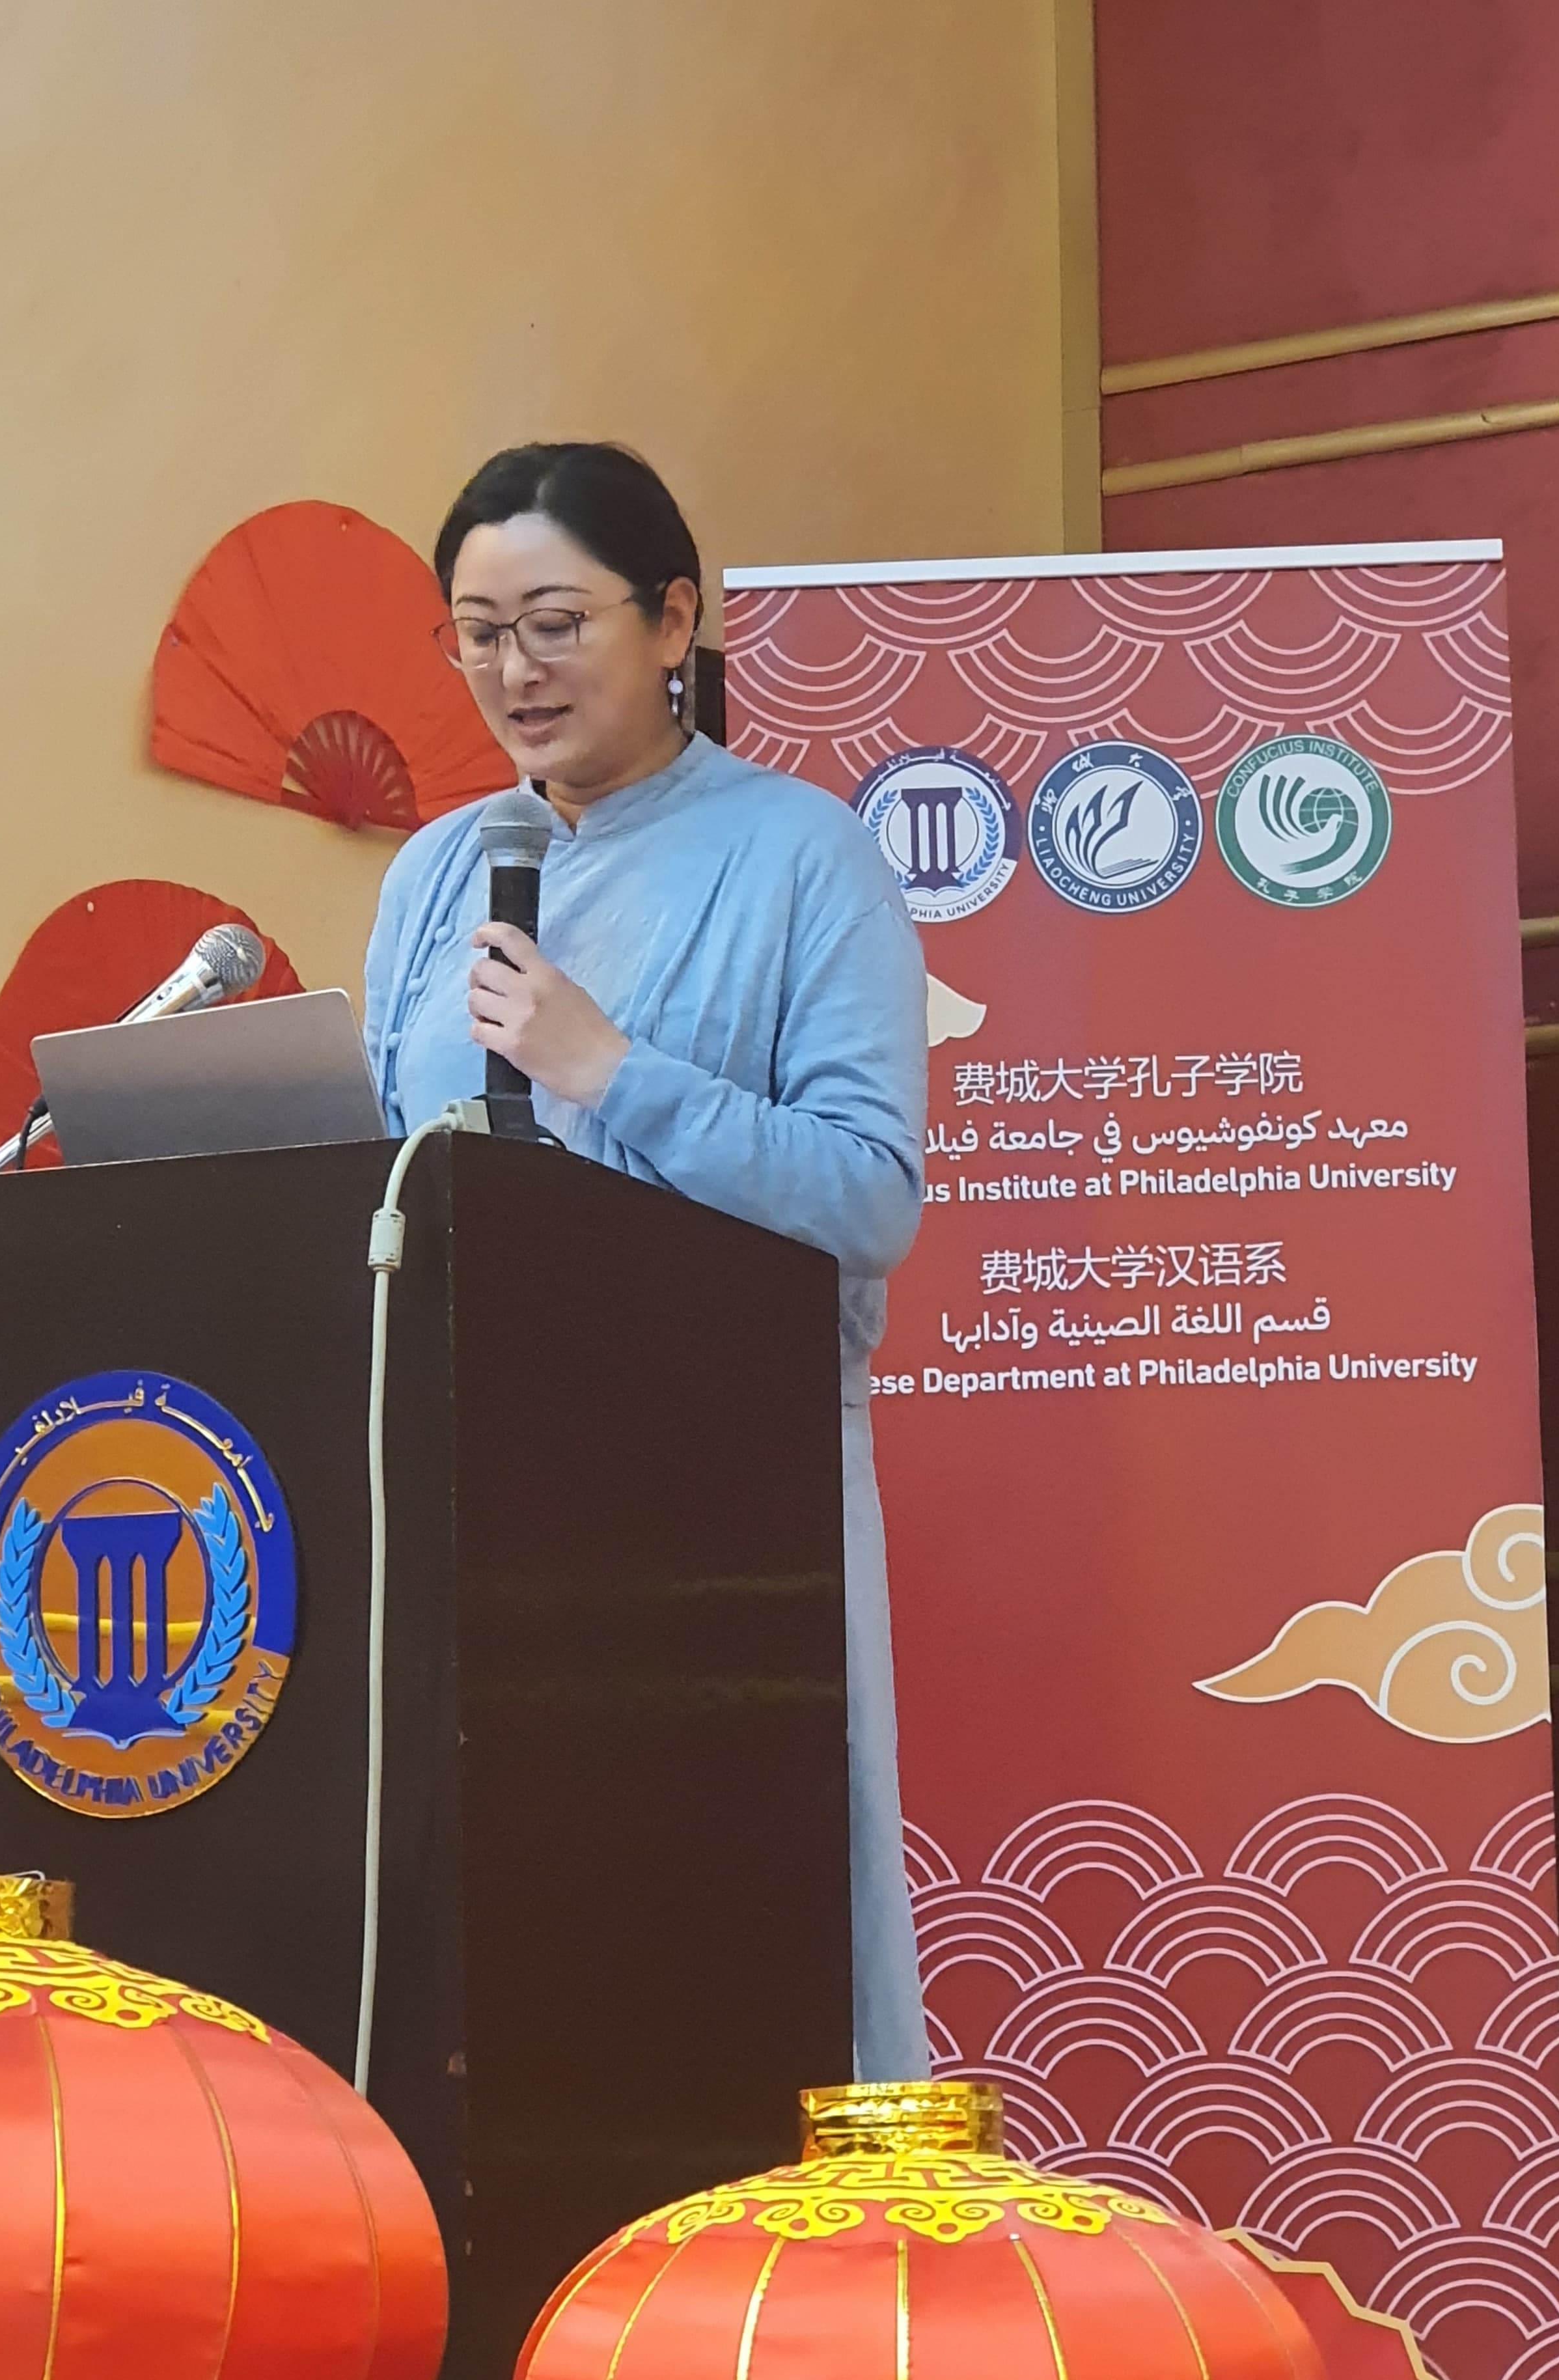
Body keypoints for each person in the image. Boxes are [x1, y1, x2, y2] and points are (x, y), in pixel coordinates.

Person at [362, 441, 930, 2081]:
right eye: (480, 635)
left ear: (674, 618)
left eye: (556, 624)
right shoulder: (435, 872)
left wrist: (609, 1070)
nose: (515, 673)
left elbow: (867, 1197)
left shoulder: (804, 856)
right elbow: (388, 1173)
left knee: (724, 1932)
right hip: (464, 1478)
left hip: (721, 1491)